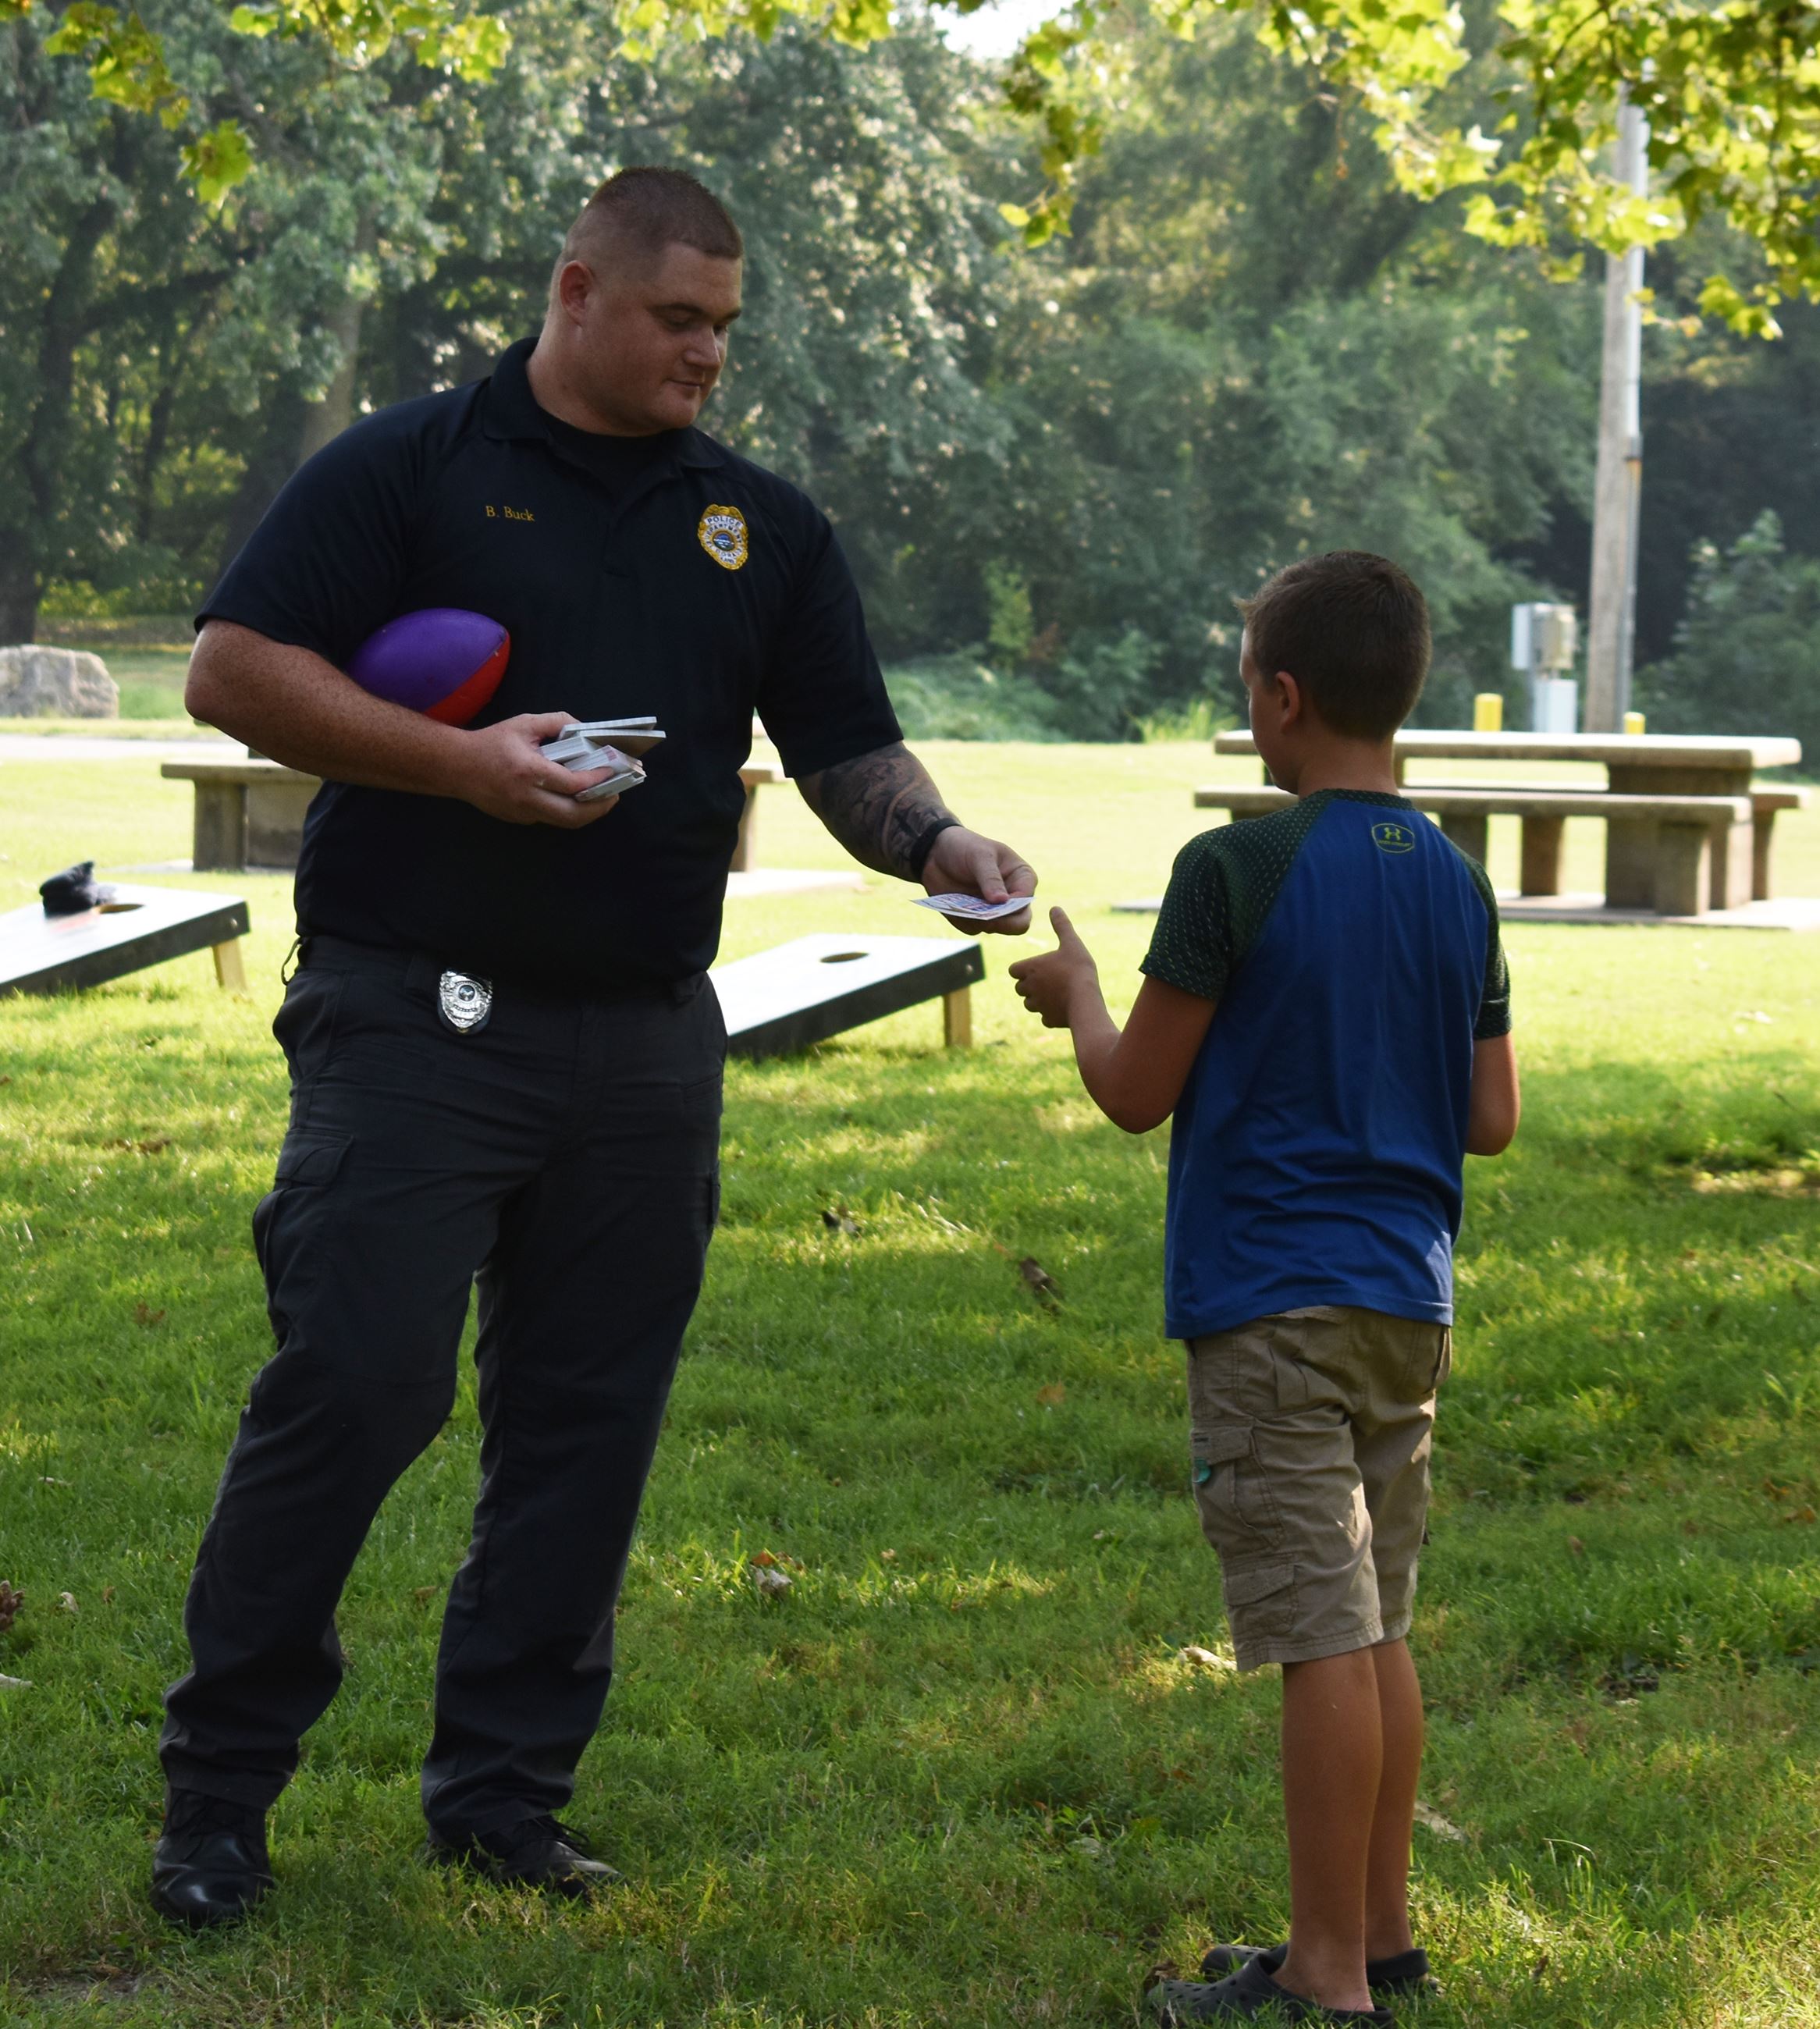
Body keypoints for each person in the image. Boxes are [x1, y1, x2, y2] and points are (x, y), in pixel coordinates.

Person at [151, 166, 1036, 1929]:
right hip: (419, 1008)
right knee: (361, 1381)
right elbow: (235, 671)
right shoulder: (409, 465)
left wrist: (938, 843)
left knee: (584, 1425)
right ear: (575, 292)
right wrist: (462, 763)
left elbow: (848, 743)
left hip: (643, 1037)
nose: (707, 354)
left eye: (723, 327)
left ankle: (500, 1799)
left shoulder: (757, 527)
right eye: (677, 320)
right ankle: (219, 1802)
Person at [1008, 552, 1519, 2025]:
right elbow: (1491, 1121)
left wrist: (1081, 995)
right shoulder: (1460, 882)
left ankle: (1324, 1982)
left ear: (1282, 701)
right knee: (1376, 1625)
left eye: (1251, 696)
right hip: (1405, 1308)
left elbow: (1134, 1091)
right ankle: (1385, 1938)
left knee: (1315, 1634)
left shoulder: (1235, 869)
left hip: (1269, 1310)